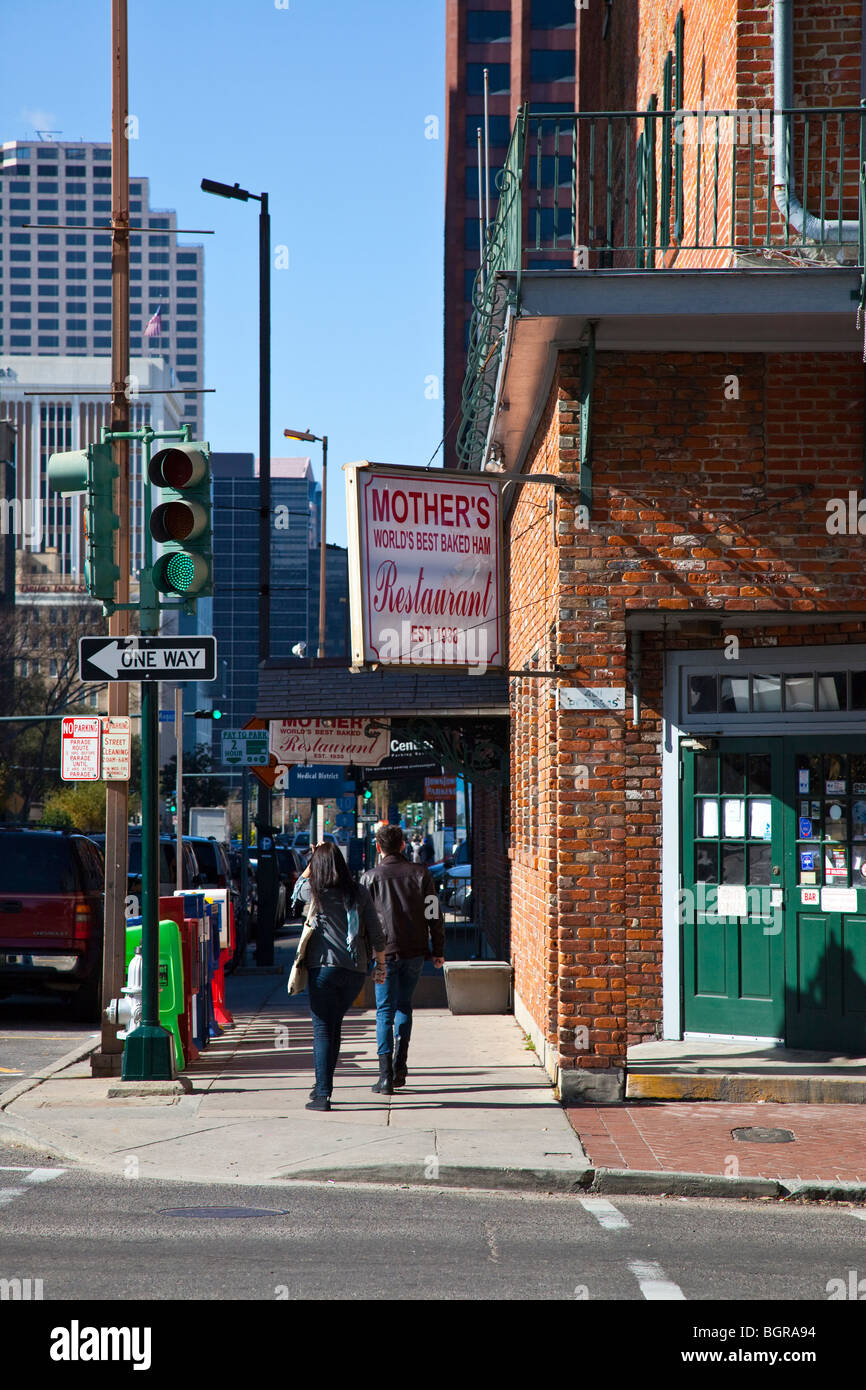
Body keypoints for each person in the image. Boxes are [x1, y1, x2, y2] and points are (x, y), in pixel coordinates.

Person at [296, 842, 386, 1111]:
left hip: (323, 968)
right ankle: (321, 1086)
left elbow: (296, 887)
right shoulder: (358, 892)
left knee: (323, 1029)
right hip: (354, 971)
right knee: (334, 1027)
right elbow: (377, 933)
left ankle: (323, 1094)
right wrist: (380, 967)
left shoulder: (314, 891)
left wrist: (311, 863)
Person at [361, 824, 445, 1094]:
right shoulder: (421, 874)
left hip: (383, 954)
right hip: (415, 951)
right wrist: (438, 948)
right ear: (403, 846)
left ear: (378, 847)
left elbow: (361, 922)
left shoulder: (369, 879)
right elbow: (433, 913)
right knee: (404, 1007)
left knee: (384, 1011)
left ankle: (385, 1075)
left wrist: (364, 955)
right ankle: (400, 1066)